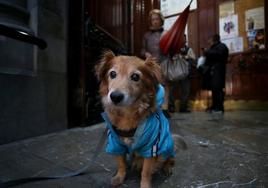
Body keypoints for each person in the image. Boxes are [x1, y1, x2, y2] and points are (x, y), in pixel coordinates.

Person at [141, 9, 171, 118]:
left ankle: (165, 108)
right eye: (153, 19)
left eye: (157, 19)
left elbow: (172, 47)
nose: (155, 21)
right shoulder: (147, 35)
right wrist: (146, 54)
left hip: (164, 61)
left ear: (161, 20)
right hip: (151, 63)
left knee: (165, 85)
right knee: (152, 85)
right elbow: (142, 50)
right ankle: (153, 108)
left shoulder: (167, 33)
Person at [168, 34, 196, 113]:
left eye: (184, 39)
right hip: (175, 73)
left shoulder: (189, 49)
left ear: (185, 40)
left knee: (186, 90)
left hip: (185, 73)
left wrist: (185, 57)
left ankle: (183, 108)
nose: (182, 40)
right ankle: (171, 107)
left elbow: (193, 59)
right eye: (180, 39)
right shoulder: (173, 49)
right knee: (172, 90)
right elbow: (169, 59)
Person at [203, 34, 229, 113]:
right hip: (214, 72)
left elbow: (218, 55)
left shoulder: (222, 46)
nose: (209, 41)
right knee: (214, 90)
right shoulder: (214, 47)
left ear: (214, 39)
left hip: (218, 71)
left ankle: (219, 108)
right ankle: (214, 106)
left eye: (210, 39)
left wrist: (207, 52)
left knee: (218, 90)